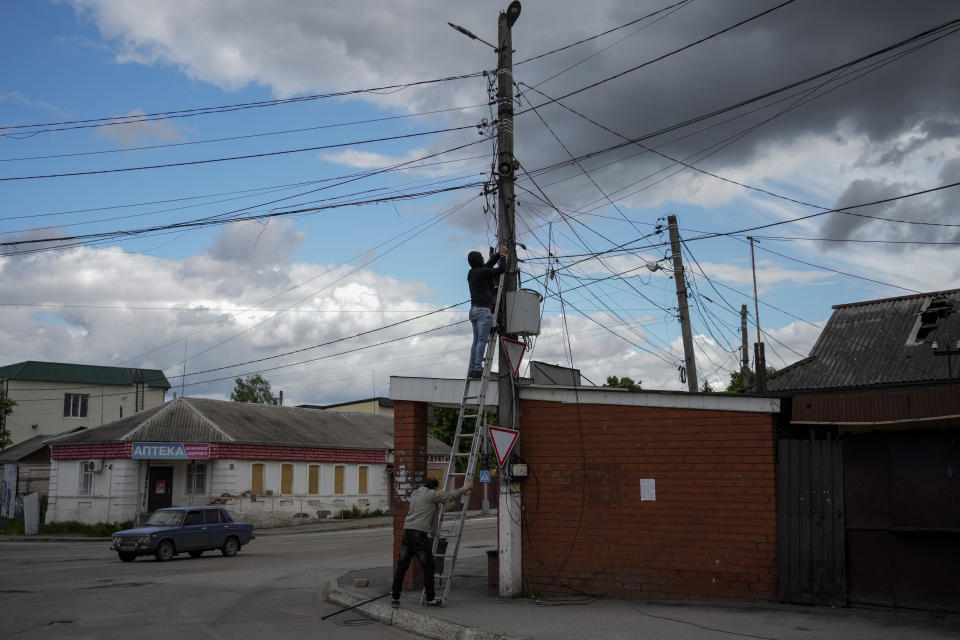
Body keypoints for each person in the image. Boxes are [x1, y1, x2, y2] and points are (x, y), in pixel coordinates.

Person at [391, 476, 474, 608]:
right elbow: (449, 496)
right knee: (429, 566)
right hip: (420, 535)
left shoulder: (416, 493)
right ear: (434, 488)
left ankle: (395, 597)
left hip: (407, 533)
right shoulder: (432, 495)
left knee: (402, 566)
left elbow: (431, 496)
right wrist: (465, 488)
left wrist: (437, 493)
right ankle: (430, 598)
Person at [467, 244, 508, 378]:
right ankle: (478, 368)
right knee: (482, 341)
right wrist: (502, 256)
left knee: (476, 341)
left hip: (473, 310)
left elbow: (487, 266)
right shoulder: (482, 272)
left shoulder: (472, 273)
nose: (484, 259)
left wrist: (496, 255)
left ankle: (473, 367)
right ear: (478, 260)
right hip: (483, 310)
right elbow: (501, 269)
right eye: (482, 257)